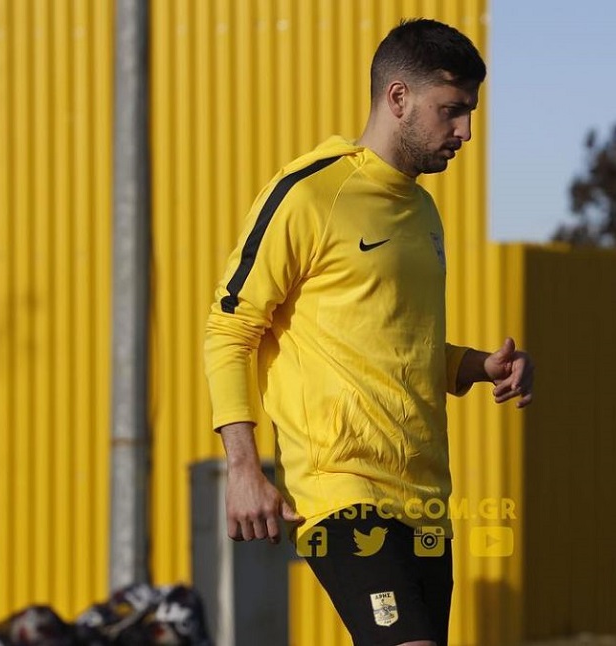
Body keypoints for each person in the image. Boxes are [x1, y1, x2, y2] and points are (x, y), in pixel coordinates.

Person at [204, 18, 534, 646]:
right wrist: (242, 467)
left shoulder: (423, 211)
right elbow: (229, 329)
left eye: (470, 111)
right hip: (340, 488)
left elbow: (397, 347)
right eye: (451, 110)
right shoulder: (310, 194)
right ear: (398, 98)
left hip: (425, 495)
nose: (465, 131)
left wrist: (477, 366)